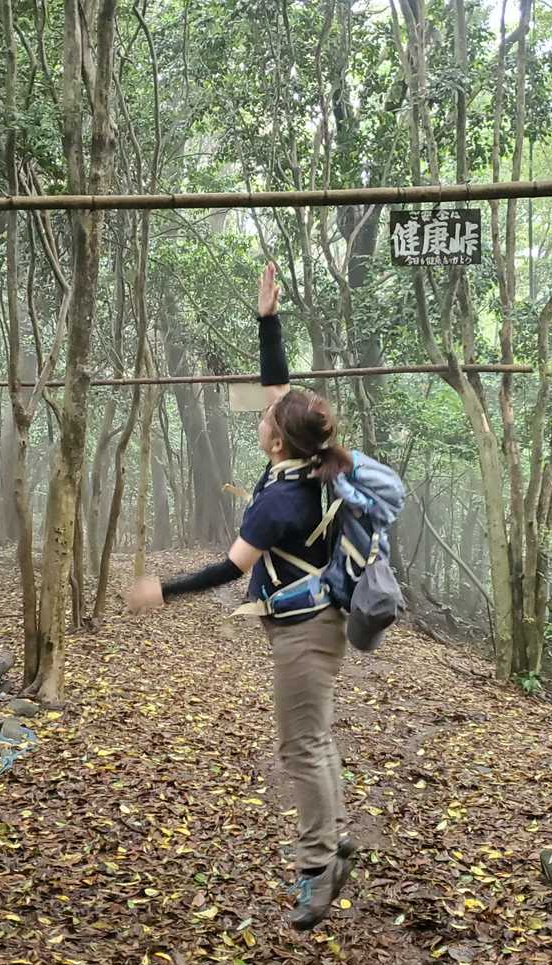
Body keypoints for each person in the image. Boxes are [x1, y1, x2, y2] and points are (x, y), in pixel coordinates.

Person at [127, 263, 357, 931]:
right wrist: (268, 320)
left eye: (267, 419)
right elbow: (280, 387)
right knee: (315, 738)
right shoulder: (309, 467)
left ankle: (317, 867)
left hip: (304, 632)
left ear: (278, 438)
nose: (261, 417)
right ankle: (335, 837)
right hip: (322, 620)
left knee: (300, 748)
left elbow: (228, 569)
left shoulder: (279, 500)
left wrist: (162, 590)